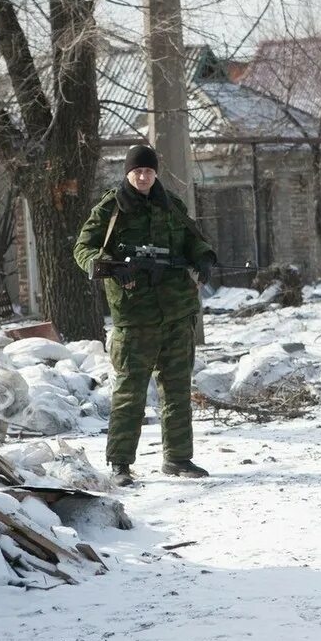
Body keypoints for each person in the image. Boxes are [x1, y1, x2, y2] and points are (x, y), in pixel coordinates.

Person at [74, 145, 217, 487]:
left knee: (178, 389)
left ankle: (178, 458)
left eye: (149, 172)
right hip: (134, 316)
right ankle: (120, 463)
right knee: (130, 392)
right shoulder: (111, 209)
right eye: (137, 171)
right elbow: (83, 248)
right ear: (127, 172)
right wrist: (109, 267)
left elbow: (194, 241)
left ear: (156, 174)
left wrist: (204, 258)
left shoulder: (172, 206)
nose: (143, 177)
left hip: (176, 312)